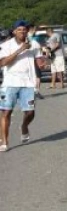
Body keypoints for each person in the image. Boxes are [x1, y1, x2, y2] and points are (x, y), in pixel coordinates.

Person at [0, 20, 39, 151]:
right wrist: (20, 50)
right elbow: (3, 62)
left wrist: (43, 61)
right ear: (14, 32)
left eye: (24, 29)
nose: (22, 32)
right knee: (6, 112)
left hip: (28, 83)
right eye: (19, 29)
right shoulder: (6, 45)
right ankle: (4, 142)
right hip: (10, 83)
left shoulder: (34, 44)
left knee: (30, 112)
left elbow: (39, 59)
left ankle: (24, 126)